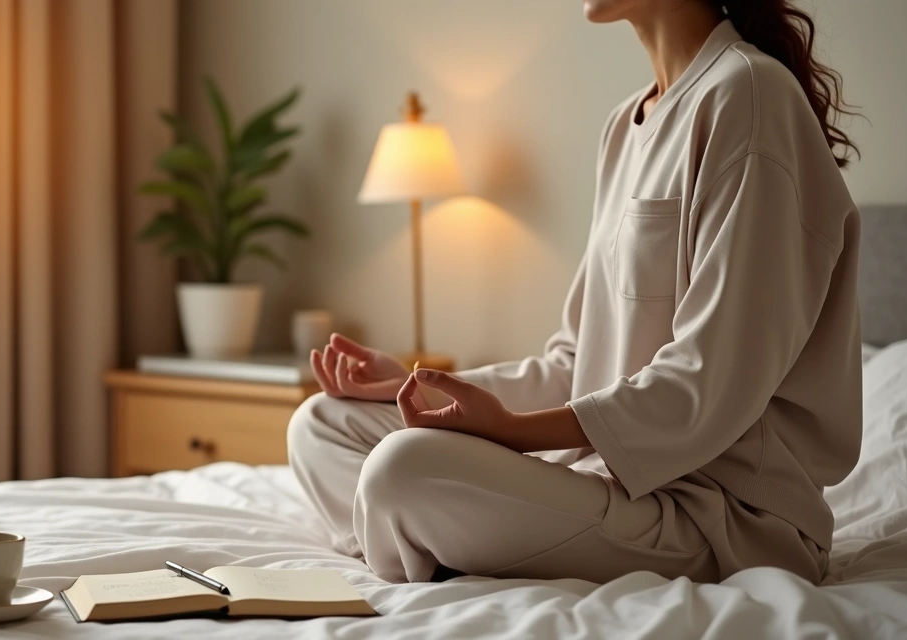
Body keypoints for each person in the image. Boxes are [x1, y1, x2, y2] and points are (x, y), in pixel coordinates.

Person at [288, 0, 862, 585]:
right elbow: (572, 362)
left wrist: (508, 430)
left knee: (401, 469)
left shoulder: (751, 94)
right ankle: (442, 540)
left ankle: (431, 540)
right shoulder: (625, 125)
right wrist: (414, 388)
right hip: (608, 480)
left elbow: (707, 384)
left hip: (722, 515)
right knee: (323, 424)